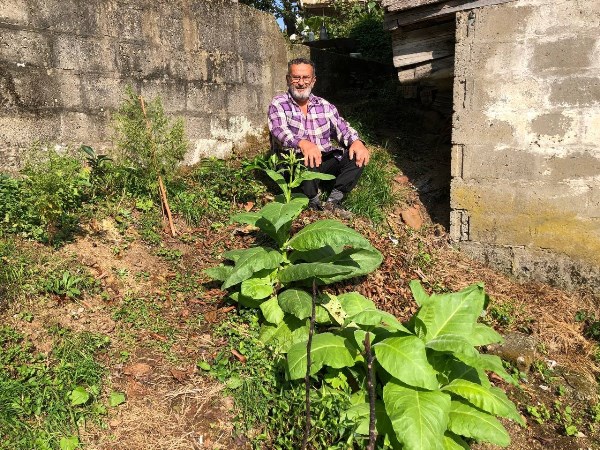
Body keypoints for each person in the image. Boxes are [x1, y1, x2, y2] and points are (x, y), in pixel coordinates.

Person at [267, 58, 370, 214]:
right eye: (296, 77)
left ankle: (334, 201)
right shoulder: (279, 103)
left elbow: (342, 127)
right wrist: (302, 143)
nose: (301, 83)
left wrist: (356, 142)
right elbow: (278, 130)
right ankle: (313, 204)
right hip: (294, 163)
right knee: (309, 157)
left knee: (356, 156)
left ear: (313, 80)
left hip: (322, 160)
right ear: (288, 79)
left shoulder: (325, 105)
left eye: (306, 78)